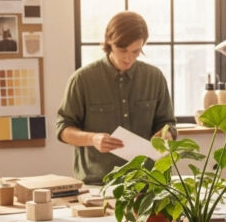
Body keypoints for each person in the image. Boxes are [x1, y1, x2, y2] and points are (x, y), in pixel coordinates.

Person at [57, 11, 175, 184]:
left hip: (149, 184)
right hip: (98, 185)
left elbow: (168, 123)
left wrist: (166, 134)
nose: (128, 58)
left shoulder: (155, 77)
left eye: (136, 51)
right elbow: (63, 129)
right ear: (109, 42)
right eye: (122, 50)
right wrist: (93, 139)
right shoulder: (82, 80)